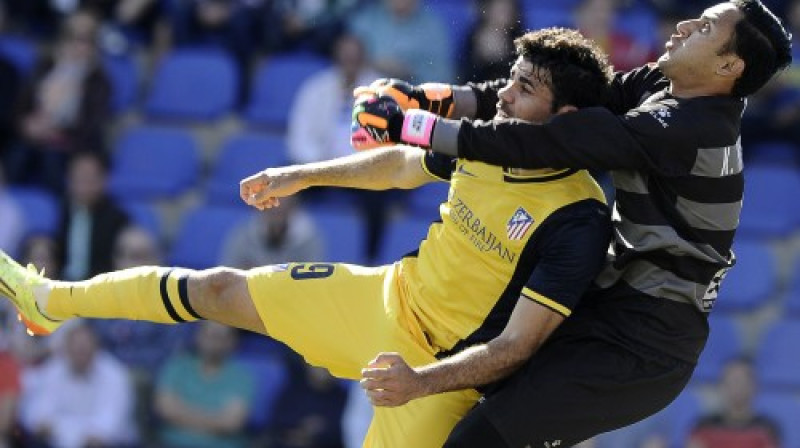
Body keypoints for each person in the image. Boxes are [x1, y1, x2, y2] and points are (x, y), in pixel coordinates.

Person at [0, 28, 614, 447]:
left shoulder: (578, 216)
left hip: (436, 371)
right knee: (216, 288)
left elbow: (516, 348)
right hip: (382, 299)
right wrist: (301, 176)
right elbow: (401, 165)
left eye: (524, 88)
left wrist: (418, 382)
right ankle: (49, 302)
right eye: (510, 77)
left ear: (564, 119)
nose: (502, 93)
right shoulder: (488, 138)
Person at [348, 1, 792, 446]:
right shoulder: (664, 84)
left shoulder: (694, 129)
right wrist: (428, 97)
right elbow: (551, 102)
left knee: (474, 440)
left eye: (706, 27)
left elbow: (549, 140)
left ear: (729, 65)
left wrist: (411, 125)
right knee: (463, 406)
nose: (685, 24)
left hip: (640, 347)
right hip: (608, 309)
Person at [155, 321, 254, 448]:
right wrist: (215, 420)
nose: (213, 342)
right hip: (172, 443)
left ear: (232, 341)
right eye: (209, 335)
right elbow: (165, 409)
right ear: (198, 336)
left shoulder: (242, 376)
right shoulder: (178, 365)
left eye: (219, 337)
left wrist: (182, 416)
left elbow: (232, 423)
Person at [687, 357, 781, 448]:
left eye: (742, 381)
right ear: (721, 385)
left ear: (754, 386)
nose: (736, 386)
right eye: (732, 380)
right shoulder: (703, 425)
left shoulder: (767, 428)